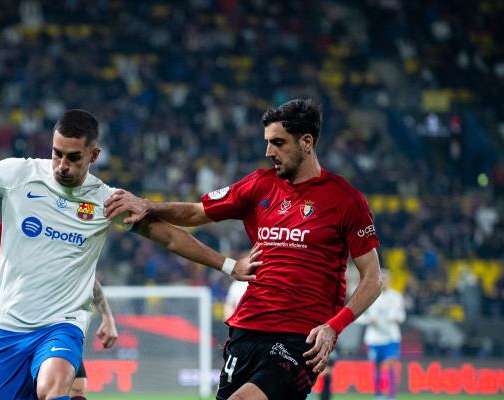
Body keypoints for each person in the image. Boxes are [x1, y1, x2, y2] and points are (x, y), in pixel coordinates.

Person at [0, 109, 258, 400]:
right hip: (7, 326)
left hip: (61, 323)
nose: (62, 166)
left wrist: (229, 265)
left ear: (94, 155)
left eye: (73, 158)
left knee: (53, 388)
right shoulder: (17, 174)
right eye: (57, 154)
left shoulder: (107, 201)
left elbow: (171, 237)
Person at [105, 98, 383, 400]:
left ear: (306, 142)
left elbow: (373, 278)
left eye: (278, 143)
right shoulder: (259, 185)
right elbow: (196, 214)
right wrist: (148, 206)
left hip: (300, 337)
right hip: (246, 330)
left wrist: (333, 327)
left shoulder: (345, 200)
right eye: (267, 143)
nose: (268, 152)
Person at [0, 222, 118, 400]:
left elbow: (83, 275)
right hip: (10, 333)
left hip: (56, 324)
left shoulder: (51, 231)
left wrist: (107, 316)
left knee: (75, 390)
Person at [357, 269, 405, 400]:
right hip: (374, 339)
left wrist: (397, 318)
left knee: (390, 365)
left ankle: (391, 396)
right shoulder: (370, 296)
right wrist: (369, 320)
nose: (384, 282)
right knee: (376, 367)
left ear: (389, 281)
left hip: (391, 337)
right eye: (381, 278)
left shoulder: (396, 297)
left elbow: (402, 315)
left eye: (386, 279)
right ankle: (378, 395)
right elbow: (359, 317)